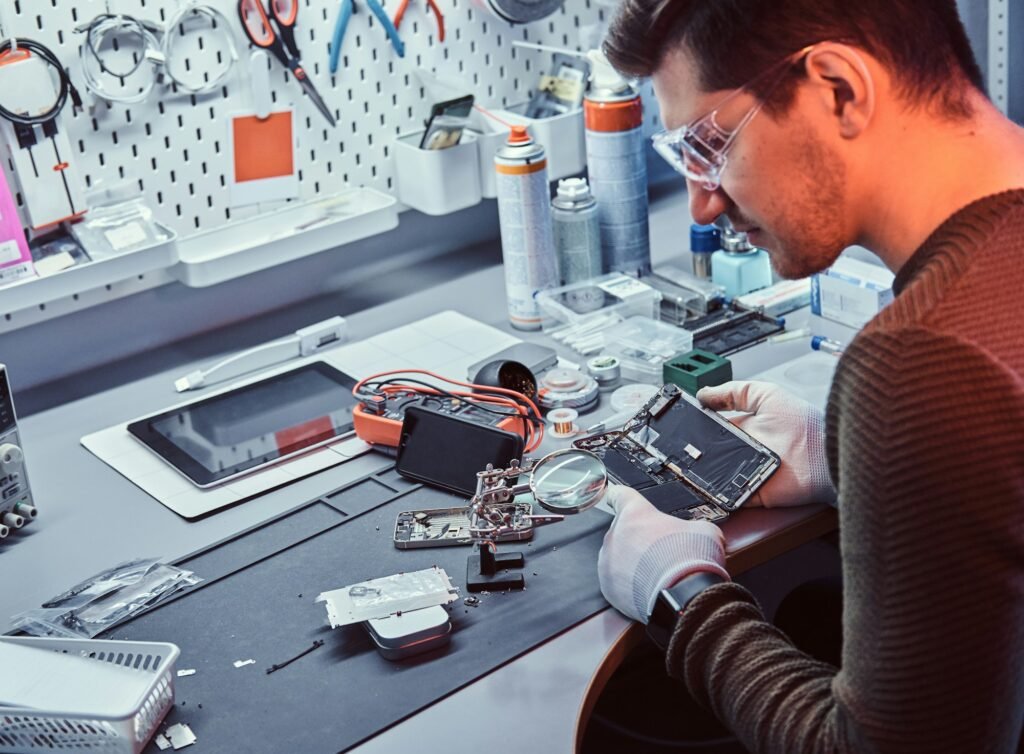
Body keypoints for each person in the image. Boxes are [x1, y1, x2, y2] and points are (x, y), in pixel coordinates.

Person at [595, 2, 1024, 752]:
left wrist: (683, 595)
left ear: (839, 90)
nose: (703, 200)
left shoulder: (924, 355)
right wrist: (849, 465)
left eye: (709, 145)